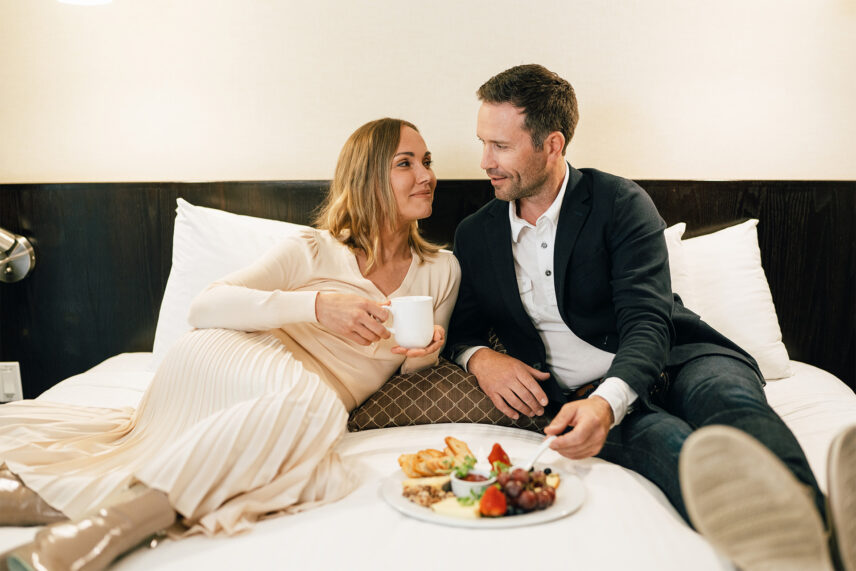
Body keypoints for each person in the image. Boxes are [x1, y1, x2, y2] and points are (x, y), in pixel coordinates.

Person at [0, 117, 460, 570]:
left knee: (313, 452)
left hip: (292, 399)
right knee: (314, 410)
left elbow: (411, 369)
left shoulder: (442, 270)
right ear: (367, 178)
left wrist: (428, 351)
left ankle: (61, 510)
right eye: (406, 163)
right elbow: (205, 306)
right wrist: (317, 306)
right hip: (231, 356)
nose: (426, 176)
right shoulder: (312, 249)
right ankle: (98, 533)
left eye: (427, 161)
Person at [444, 64, 854, 571]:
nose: (484, 160)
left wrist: (610, 401)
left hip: (681, 357)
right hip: (577, 397)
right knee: (673, 448)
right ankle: (780, 552)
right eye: (482, 142)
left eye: (500, 146)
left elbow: (647, 320)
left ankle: (826, 535)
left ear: (552, 145)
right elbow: (458, 332)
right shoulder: (475, 233)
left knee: (730, 403)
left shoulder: (619, 202)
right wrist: (481, 358)